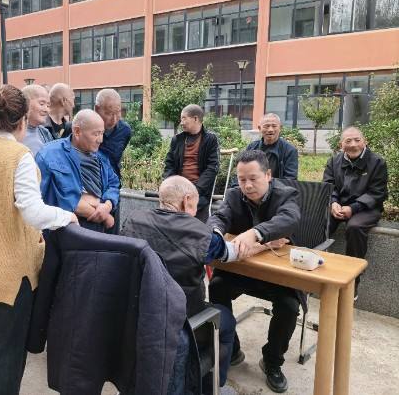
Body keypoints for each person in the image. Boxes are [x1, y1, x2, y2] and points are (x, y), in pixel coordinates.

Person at [0, 84, 76, 395]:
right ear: (22, 120)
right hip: (9, 274)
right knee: (6, 352)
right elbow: (32, 211)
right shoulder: (18, 156)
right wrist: (66, 216)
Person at [122, 175, 269, 392]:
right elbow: (236, 252)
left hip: (138, 312)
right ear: (187, 200)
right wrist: (266, 245)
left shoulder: (133, 220)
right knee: (226, 321)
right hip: (182, 317)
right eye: (195, 205)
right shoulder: (199, 233)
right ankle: (211, 386)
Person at [208, 150, 301, 394]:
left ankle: (272, 361)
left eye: (253, 178)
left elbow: (290, 218)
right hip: (243, 269)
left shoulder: (286, 194)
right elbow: (219, 217)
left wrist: (256, 233)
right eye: (242, 179)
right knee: (216, 286)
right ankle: (231, 347)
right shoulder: (234, 195)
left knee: (289, 305)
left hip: (276, 272)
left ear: (268, 175)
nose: (247, 185)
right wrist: (215, 234)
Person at [323, 126, 388, 297]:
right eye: (348, 141)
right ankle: (314, 270)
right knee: (319, 221)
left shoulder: (377, 162)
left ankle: (352, 282)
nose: (353, 144)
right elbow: (328, 186)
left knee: (355, 227)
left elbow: (377, 193)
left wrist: (353, 208)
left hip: (367, 208)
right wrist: (333, 203)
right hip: (340, 205)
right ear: (341, 144)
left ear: (364, 141)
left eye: (357, 140)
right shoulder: (334, 161)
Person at [36, 109, 120, 233]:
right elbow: (66, 198)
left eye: (102, 133)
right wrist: (105, 217)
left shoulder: (100, 158)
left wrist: (107, 205)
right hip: (65, 230)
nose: (100, 140)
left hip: (98, 230)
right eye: (96, 134)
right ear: (77, 131)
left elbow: (114, 183)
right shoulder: (50, 155)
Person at [163, 104, 220, 222]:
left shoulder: (210, 139)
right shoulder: (177, 140)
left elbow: (212, 168)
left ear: (195, 118)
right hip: (178, 188)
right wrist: (171, 184)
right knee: (169, 211)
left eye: (184, 118)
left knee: (191, 212)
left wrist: (195, 189)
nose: (181, 122)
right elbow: (169, 164)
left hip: (200, 191)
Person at [246, 113, 298, 180]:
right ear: (259, 128)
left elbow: (290, 179)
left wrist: (268, 183)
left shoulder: (290, 150)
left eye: (274, 126)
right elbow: (243, 172)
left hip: (278, 186)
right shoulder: (252, 147)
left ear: (280, 128)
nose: (270, 130)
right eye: (266, 126)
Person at [94, 88, 132, 180]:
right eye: (109, 113)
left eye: (118, 112)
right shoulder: (82, 128)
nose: (114, 119)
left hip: (113, 183)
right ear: (97, 109)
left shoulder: (125, 130)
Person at [22, 85, 53, 156]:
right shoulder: (14, 131)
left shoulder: (45, 132)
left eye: (48, 106)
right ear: (26, 103)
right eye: (42, 104)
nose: (46, 110)